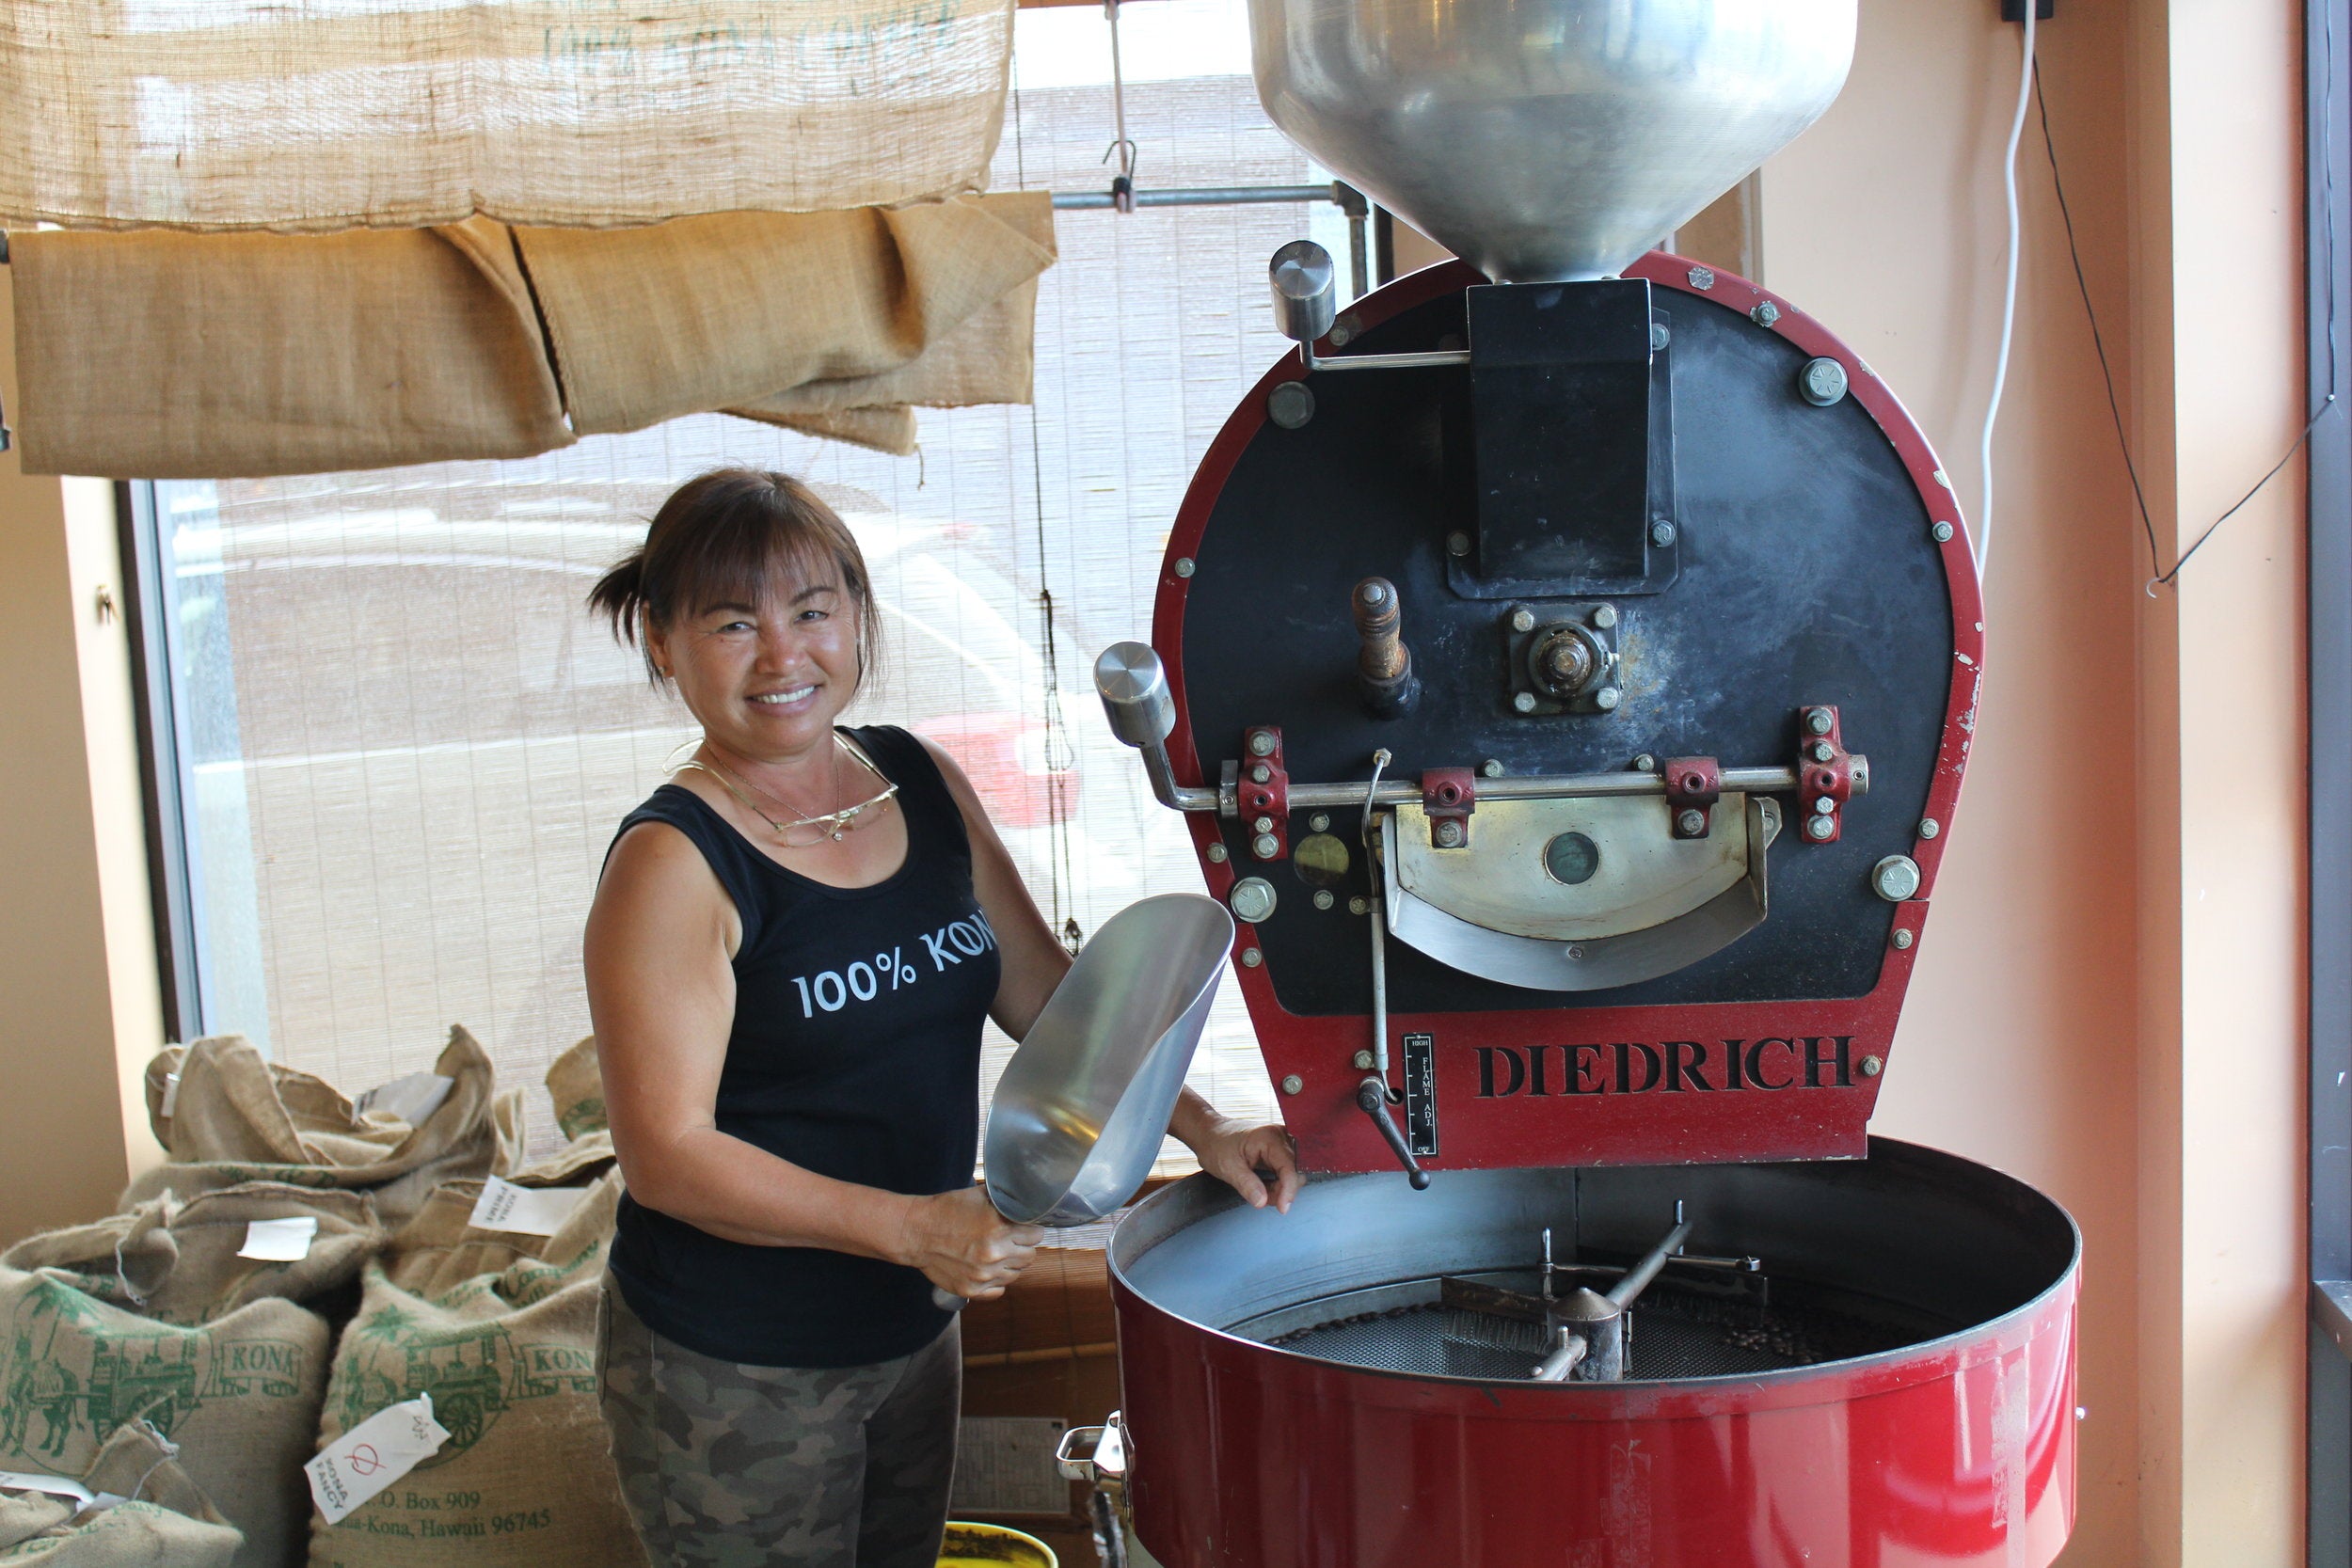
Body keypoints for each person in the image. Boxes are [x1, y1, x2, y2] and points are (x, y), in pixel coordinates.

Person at [581, 468, 1298, 1568]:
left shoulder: (915, 778)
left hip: (914, 1327)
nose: (782, 656)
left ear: (857, 620)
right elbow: (667, 1156)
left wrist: (1202, 1124)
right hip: (738, 1365)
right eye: (734, 623)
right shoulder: (674, 862)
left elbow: (1053, 996)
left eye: (812, 611)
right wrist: (918, 1228)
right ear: (666, 646)